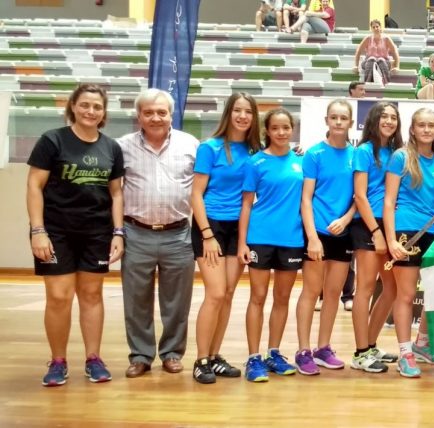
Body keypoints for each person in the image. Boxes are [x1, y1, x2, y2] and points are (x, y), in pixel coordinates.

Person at [28, 83, 125, 386]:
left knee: (92, 295)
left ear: (103, 112)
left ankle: (93, 359)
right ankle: (58, 361)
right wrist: (37, 230)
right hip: (56, 232)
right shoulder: (52, 140)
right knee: (58, 297)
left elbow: (117, 193)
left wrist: (118, 232)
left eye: (97, 106)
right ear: (73, 106)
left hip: (97, 232)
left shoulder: (111, 147)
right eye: (84, 105)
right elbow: (34, 186)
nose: (90, 111)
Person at [116, 89, 198, 380]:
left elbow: (202, 188)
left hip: (179, 234)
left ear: (171, 114)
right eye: (148, 112)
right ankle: (140, 355)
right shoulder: (122, 147)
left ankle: (173, 352)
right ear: (138, 115)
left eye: (161, 112)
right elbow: (113, 191)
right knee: (136, 299)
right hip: (136, 232)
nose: (155, 117)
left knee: (177, 300)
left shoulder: (191, 144)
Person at [191, 92, 262, 384]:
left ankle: (216, 356)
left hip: (241, 227)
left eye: (248, 112)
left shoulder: (256, 150)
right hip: (211, 226)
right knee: (216, 293)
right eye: (238, 110)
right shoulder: (210, 148)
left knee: (229, 293)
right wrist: (207, 234)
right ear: (228, 114)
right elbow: (195, 194)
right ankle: (200, 360)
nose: (243, 116)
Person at [385, 108, 434, 377]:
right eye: (421, 125)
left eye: (431, 125)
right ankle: (405, 353)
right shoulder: (401, 157)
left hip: (433, 233)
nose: (427, 130)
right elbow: (389, 201)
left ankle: (422, 344)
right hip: (406, 230)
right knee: (405, 295)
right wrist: (391, 239)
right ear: (412, 129)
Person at [237, 109, 304, 383]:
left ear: (292, 129)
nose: (281, 132)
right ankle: (253, 358)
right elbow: (245, 203)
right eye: (275, 128)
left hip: (292, 238)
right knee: (258, 297)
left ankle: (273, 353)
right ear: (268, 131)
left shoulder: (302, 162)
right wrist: (242, 242)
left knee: (282, 298)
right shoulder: (255, 163)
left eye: (286, 127)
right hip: (260, 237)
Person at [293, 100, 358, 376]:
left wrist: (345, 219)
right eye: (334, 117)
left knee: (333, 293)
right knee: (311, 291)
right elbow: (306, 199)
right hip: (317, 233)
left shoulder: (357, 156)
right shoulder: (315, 155)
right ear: (327, 120)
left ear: (351, 123)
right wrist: (312, 237)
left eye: (344, 117)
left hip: (343, 234)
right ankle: (303, 350)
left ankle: (323, 348)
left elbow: (359, 197)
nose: (339, 122)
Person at [350, 102, 405, 371]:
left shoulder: (396, 153)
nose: (389, 121)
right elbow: (360, 195)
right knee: (366, 288)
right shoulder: (363, 151)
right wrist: (375, 232)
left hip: (389, 223)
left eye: (393, 117)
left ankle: (370, 345)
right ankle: (360, 353)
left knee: (391, 289)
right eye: (384, 116)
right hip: (367, 226)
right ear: (374, 120)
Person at [353, 19, 399, 85]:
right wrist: (356, 66)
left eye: (377, 26)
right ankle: (367, 85)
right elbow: (358, 51)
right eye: (373, 27)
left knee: (381, 60)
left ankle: (386, 84)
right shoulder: (367, 38)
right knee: (372, 59)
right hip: (369, 61)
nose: (376, 28)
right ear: (371, 29)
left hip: (384, 62)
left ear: (380, 27)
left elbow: (395, 52)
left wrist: (397, 67)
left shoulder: (386, 39)